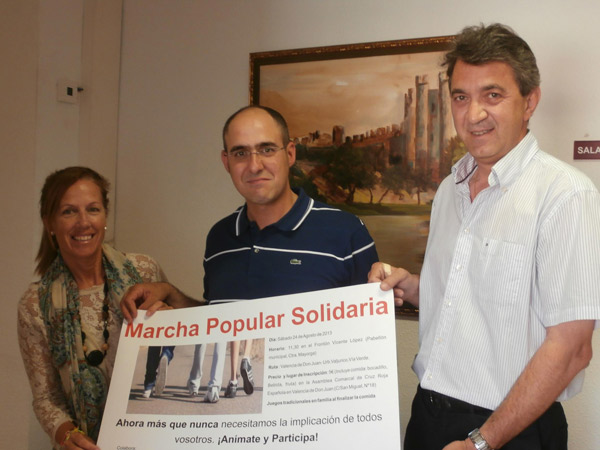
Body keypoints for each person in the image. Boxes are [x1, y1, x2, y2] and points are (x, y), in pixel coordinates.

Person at [370, 23, 600, 450]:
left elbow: (572, 349)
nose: (473, 114)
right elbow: (474, 298)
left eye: (492, 95)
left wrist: (481, 441)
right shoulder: (448, 190)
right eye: (461, 97)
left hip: (510, 432)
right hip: (428, 416)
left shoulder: (565, 195)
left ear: (529, 101)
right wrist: (415, 287)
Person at [121, 105, 379, 403]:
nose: (254, 165)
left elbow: (370, 345)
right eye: (240, 153)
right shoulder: (219, 238)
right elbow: (225, 320)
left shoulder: (346, 232)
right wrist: (170, 295)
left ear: (290, 154)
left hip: (315, 420)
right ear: (226, 162)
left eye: (267, 149)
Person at [17, 167, 167, 449]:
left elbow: (182, 342)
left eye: (93, 209)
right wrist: (65, 434)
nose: (83, 222)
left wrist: (171, 312)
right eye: (69, 212)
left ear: (105, 216)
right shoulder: (34, 304)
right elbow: (46, 398)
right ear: (49, 222)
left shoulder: (145, 270)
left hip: (152, 437)